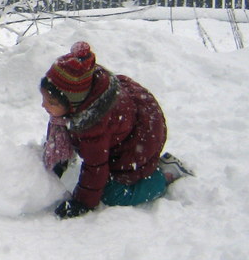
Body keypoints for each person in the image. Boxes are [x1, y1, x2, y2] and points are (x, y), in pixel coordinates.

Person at [40, 41, 188, 219]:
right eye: (44, 98)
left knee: (112, 193)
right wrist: (58, 161)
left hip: (141, 140)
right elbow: (61, 133)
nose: (44, 105)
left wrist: (82, 203)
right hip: (132, 118)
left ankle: (164, 175)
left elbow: (95, 166)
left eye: (52, 102)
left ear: (72, 103)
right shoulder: (81, 97)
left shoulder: (94, 124)